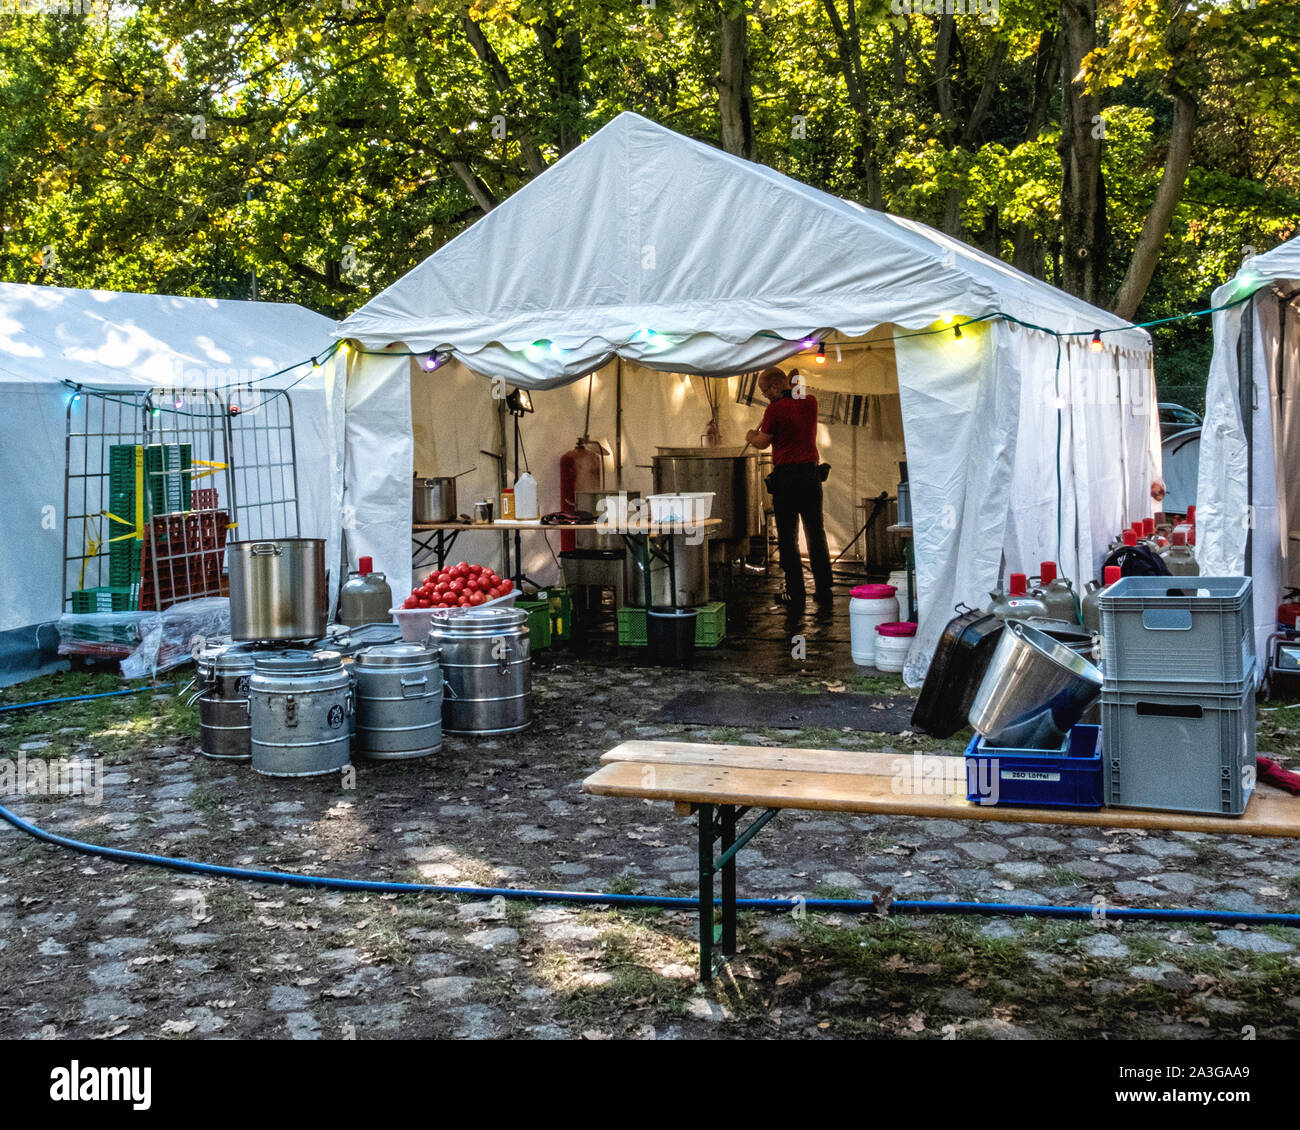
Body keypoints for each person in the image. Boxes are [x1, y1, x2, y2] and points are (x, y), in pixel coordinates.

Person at [746, 366, 834, 610]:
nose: (765, 396)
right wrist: (791, 383)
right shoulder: (811, 403)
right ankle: (824, 589)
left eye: (766, 391)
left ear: (775, 386)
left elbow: (763, 443)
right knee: (816, 533)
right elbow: (797, 389)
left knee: (788, 536)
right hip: (810, 475)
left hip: (787, 478)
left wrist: (750, 435)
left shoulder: (774, 409)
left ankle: (796, 592)